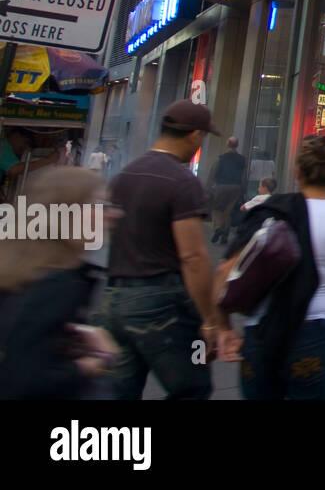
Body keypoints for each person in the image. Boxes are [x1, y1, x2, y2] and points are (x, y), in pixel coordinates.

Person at [218, 136, 325, 399]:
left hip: (261, 330)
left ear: (297, 171)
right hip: (314, 331)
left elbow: (223, 276)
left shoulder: (270, 211)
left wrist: (223, 328)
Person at [101, 101, 232, 399]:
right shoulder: (183, 181)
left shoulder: (125, 175)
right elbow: (193, 257)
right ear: (195, 136)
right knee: (194, 384)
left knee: (118, 392)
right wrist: (209, 320)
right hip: (164, 304)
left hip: (115, 299)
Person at [0, 167, 121, 398]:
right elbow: (25, 379)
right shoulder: (59, 282)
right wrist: (96, 361)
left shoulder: (18, 268)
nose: (113, 214)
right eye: (100, 206)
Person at [210, 137, 246, 244]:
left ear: (227, 144)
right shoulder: (242, 159)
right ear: (237, 145)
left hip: (222, 186)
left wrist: (211, 186)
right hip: (236, 187)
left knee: (217, 209)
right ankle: (225, 235)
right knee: (228, 211)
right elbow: (244, 176)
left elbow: (213, 172)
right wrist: (242, 189)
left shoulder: (221, 158)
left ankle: (218, 228)